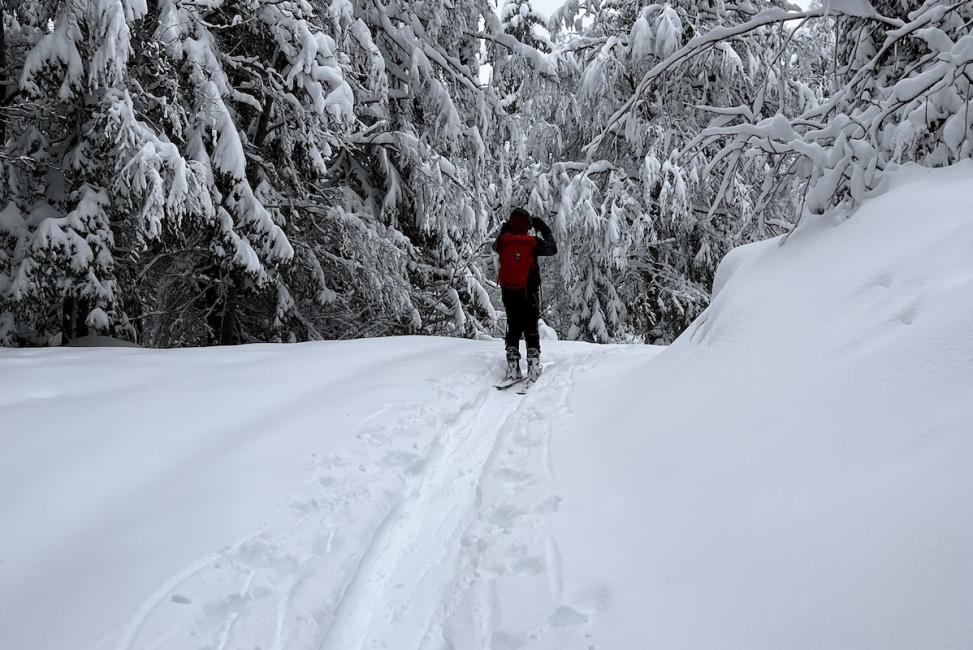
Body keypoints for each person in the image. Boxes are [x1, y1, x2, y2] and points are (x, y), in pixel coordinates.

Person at [494, 207, 557, 381]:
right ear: (528, 224)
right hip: (530, 292)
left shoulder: (504, 241)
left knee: (513, 325)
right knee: (531, 327)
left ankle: (513, 365)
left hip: (509, 291)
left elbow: (495, 246)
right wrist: (543, 228)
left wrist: (504, 229)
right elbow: (553, 249)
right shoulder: (533, 242)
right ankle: (533, 364)